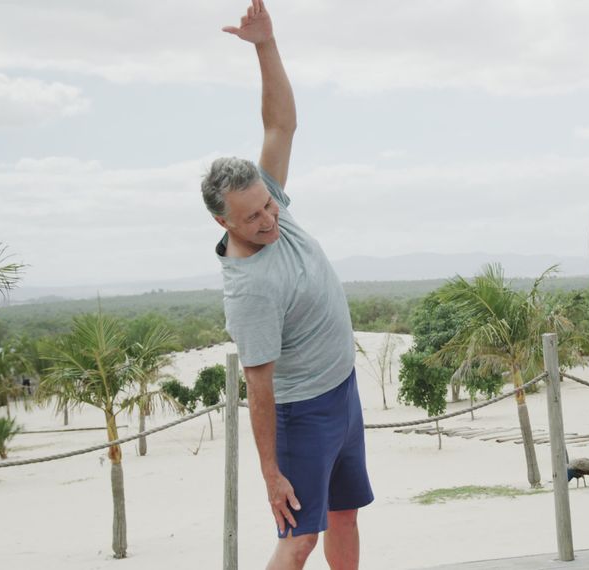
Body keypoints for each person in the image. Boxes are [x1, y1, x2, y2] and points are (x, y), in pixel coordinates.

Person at [200, 2, 373, 568]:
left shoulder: (268, 202)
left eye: (269, 205)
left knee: (345, 516)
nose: (270, 219)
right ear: (224, 222)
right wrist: (271, 473)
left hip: (342, 393)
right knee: (299, 538)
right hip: (302, 414)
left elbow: (280, 124)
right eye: (252, 218)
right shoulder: (249, 290)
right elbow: (259, 388)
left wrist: (265, 46)